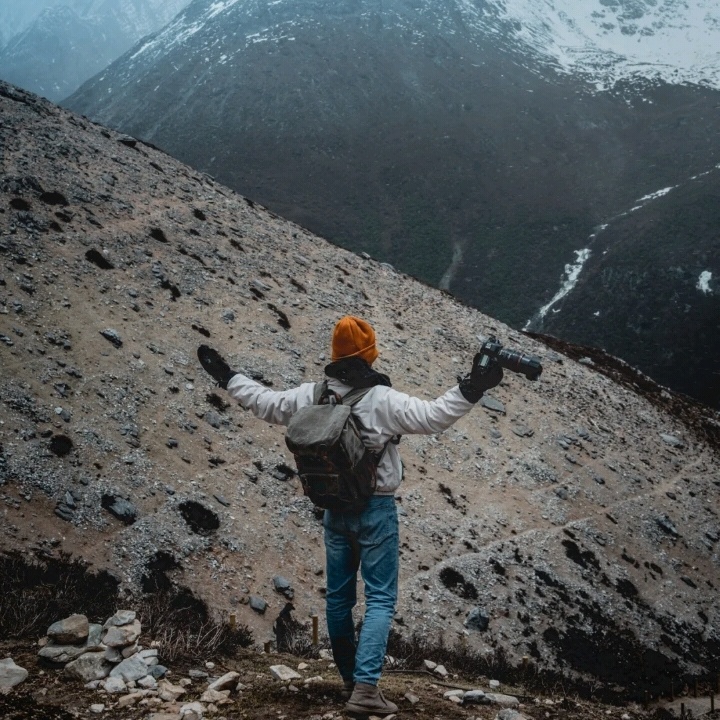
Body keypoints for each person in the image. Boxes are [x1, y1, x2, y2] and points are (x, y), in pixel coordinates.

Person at [197, 315, 503, 716]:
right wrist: (473, 385)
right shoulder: (381, 400)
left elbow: (266, 403)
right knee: (380, 598)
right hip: (375, 509)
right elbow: (433, 417)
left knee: (339, 599)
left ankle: (347, 680)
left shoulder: (313, 394)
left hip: (333, 509)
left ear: (335, 355)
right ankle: (365, 690)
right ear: (370, 353)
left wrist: (229, 377)